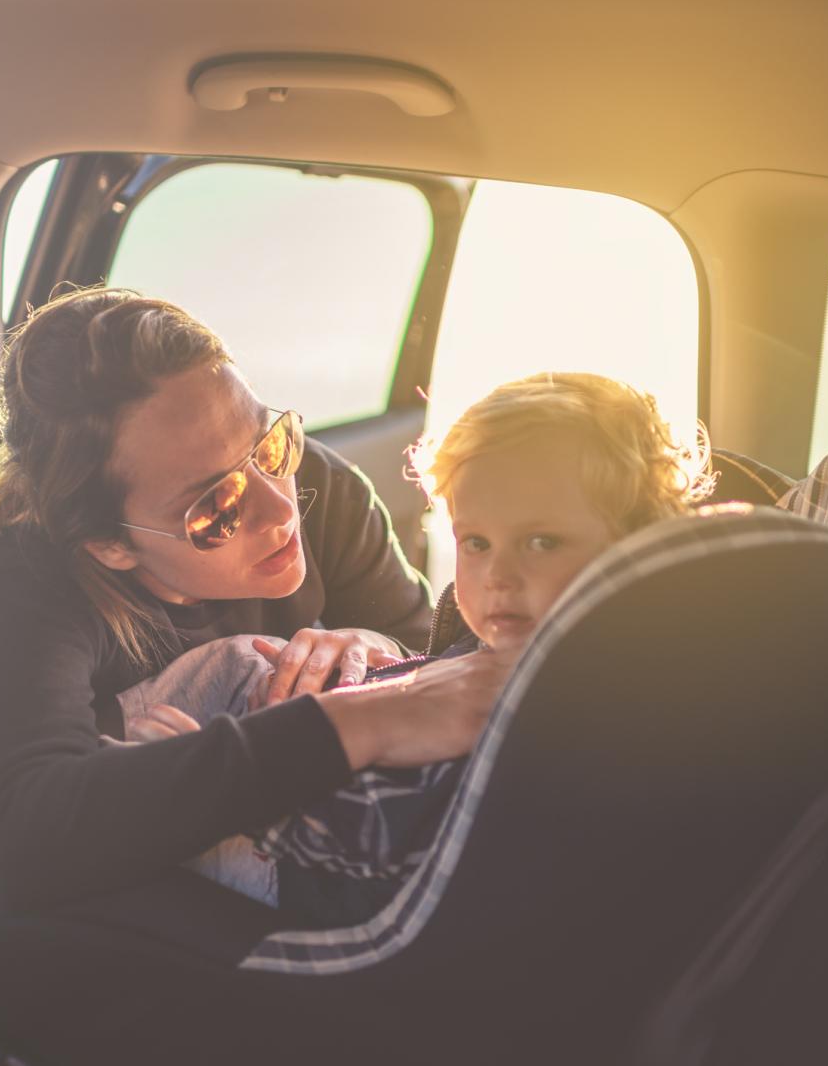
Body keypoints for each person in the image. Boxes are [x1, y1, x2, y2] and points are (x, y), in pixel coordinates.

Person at [0, 286, 516, 913]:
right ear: (111, 544)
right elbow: (17, 839)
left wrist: (374, 650)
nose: (280, 508)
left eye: (269, 444)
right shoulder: (28, 579)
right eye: (215, 508)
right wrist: (345, 724)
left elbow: (435, 651)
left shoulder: (323, 493)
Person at [102, 372, 713, 924]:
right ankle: (97, 767)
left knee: (129, 817)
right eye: (475, 542)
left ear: (636, 548)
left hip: (298, 870)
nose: (497, 575)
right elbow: (427, 679)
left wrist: (216, 791)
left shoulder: (576, 703)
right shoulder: (514, 643)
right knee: (245, 661)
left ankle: (110, 784)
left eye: (542, 542)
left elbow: (398, 836)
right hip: (307, 813)